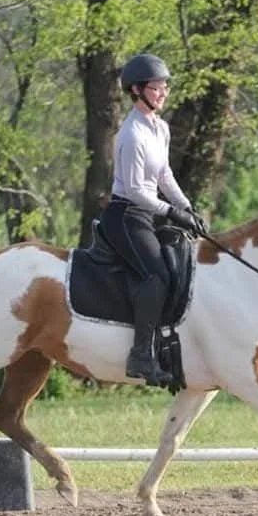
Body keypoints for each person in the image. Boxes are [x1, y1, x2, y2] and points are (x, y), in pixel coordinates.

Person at [99, 53, 207, 387]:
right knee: (157, 275)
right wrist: (172, 212)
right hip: (126, 215)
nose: (163, 93)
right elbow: (134, 191)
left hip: (149, 212)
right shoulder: (131, 135)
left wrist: (187, 207)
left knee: (184, 262)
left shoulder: (160, 128)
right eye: (157, 88)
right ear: (137, 90)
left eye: (165, 88)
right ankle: (141, 356)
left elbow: (164, 175)